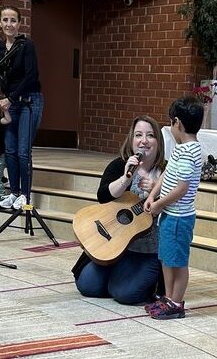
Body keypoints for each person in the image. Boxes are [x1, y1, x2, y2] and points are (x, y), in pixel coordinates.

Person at [72, 115, 166, 305]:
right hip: (114, 242)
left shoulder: (166, 171)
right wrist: (126, 179)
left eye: (150, 135)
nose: (144, 141)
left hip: (146, 250)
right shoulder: (119, 165)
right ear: (131, 140)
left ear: (158, 141)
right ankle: (118, 274)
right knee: (87, 285)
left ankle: (135, 280)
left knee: (125, 294)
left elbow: (178, 204)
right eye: (138, 135)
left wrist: (158, 191)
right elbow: (103, 196)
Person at [144, 96, 203, 320]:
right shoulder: (180, 148)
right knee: (167, 258)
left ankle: (177, 302)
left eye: (170, 123)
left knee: (178, 262)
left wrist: (158, 204)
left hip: (179, 218)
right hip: (170, 214)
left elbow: (181, 189)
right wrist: (152, 194)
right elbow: (167, 174)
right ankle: (168, 299)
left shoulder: (191, 152)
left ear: (177, 122)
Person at [0, 5, 43, 210]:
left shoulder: (26, 45)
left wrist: (10, 99)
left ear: (19, 23)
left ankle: (25, 196)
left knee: (23, 152)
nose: (9, 24)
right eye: (5, 20)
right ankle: (14, 192)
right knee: (9, 150)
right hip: (12, 103)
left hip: (29, 101)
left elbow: (31, 76)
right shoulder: (1, 47)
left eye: (13, 20)